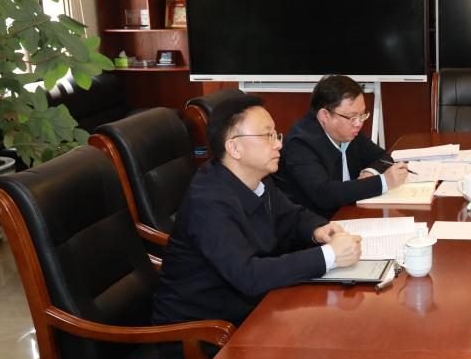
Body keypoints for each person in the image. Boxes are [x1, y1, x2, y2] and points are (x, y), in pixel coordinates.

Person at [153, 94, 362, 326]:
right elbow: (248, 275)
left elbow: (291, 216)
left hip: (252, 309)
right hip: (202, 331)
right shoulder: (208, 201)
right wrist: (330, 256)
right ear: (234, 147)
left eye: (276, 134)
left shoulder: (256, 178)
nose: (278, 143)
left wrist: (319, 230)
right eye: (267, 135)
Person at [274, 74, 410, 218]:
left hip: (349, 213)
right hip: (317, 225)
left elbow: (383, 157)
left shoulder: (348, 131)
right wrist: (383, 182)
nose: (359, 123)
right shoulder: (300, 145)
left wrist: (368, 174)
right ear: (324, 115)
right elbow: (324, 194)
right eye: (352, 117)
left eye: (362, 115)